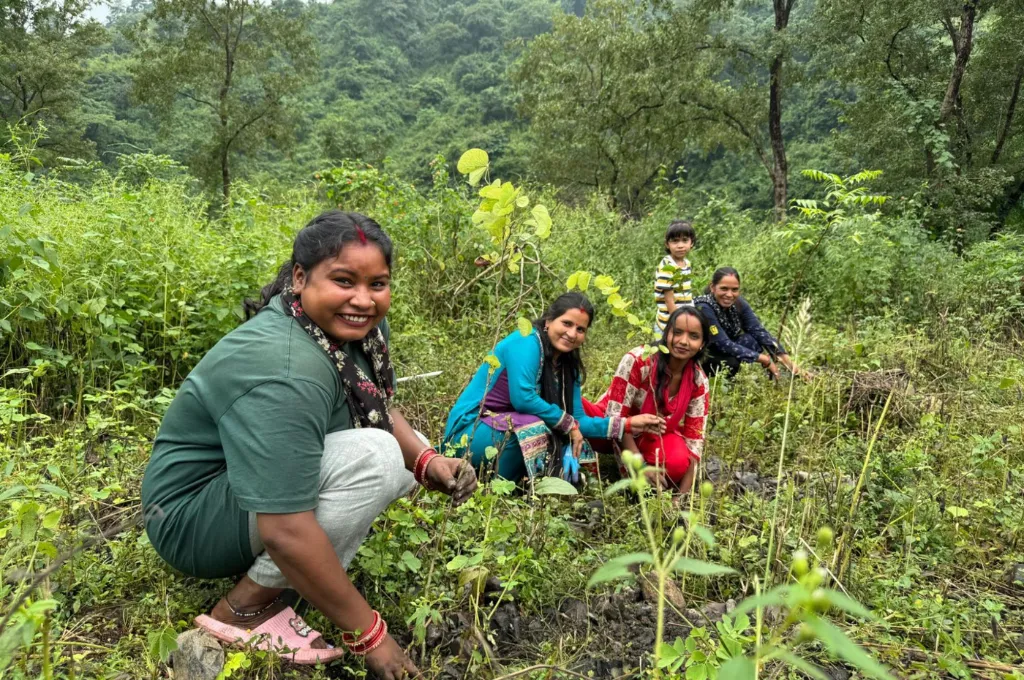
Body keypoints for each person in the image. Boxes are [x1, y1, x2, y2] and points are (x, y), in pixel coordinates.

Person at [141, 211, 477, 677]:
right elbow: (284, 527)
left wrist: (427, 460)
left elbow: (375, 403)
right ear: (300, 278)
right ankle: (243, 610)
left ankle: (293, 579)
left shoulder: (347, 328)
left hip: (236, 492)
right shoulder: (285, 370)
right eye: (343, 280)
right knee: (377, 459)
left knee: (405, 449)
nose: (363, 299)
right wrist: (371, 635)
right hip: (190, 518)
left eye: (377, 284)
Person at [443, 293, 664, 483]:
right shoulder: (526, 340)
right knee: (538, 427)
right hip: (470, 430)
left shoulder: (569, 367)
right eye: (566, 323)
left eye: (580, 329)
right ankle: (499, 490)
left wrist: (627, 424)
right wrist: (568, 424)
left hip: (504, 428)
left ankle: (536, 487)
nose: (572, 333)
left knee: (567, 436)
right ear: (549, 320)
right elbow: (523, 399)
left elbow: (580, 421)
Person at [584, 306, 710, 494]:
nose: (684, 341)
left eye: (693, 336)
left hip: (651, 434)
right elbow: (614, 416)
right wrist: (640, 466)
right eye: (677, 333)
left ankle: (652, 475)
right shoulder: (638, 360)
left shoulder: (698, 381)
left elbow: (695, 441)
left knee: (677, 463)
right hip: (607, 424)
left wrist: (680, 498)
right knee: (573, 408)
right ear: (666, 334)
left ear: (702, 343)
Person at [694, 267, 810, 379]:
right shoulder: (703, 306)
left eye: (734, 290)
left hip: (724, 349)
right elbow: (723, 343)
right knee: (731, 363)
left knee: (752, 341)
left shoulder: (738, 304)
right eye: (724, 289)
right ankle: (712, 381)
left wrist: (790, 364)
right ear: (713, 287)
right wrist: (764, 359)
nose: (729, 295)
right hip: (704, 354)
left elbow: (759, 332)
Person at [654, 219, 697, 335]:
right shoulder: (667, 267)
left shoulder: (687, 263)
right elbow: (669, 301)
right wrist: (679, 323)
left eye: (685, 240)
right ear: (667, 244)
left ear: (691, 243)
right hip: (669, 324)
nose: (680, 246)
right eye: (675, 241)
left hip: (683, 320)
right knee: (665, 352)